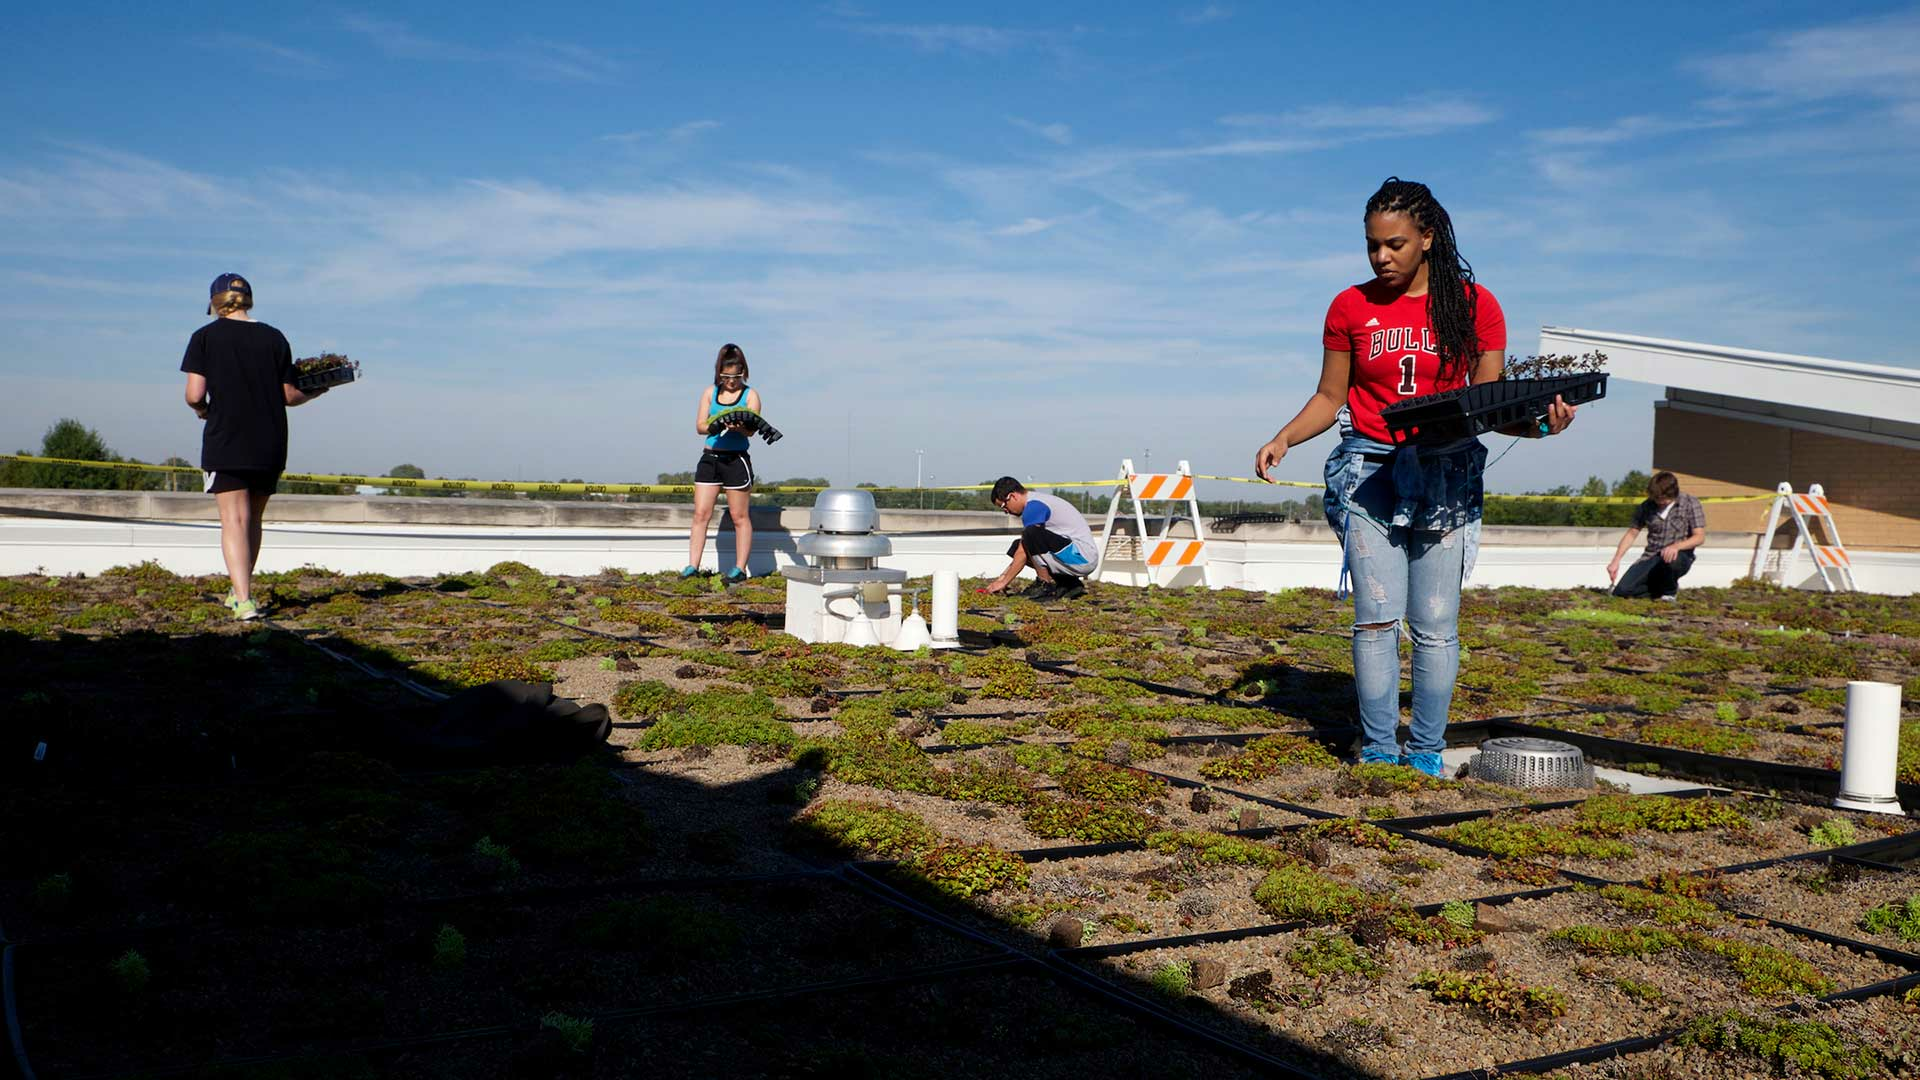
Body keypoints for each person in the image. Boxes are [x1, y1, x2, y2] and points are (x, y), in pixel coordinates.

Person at [1250, 178, 1576, 776]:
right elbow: (1330, 396)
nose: (1381, 257)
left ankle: (1425, 752)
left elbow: (1491, 409)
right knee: (1375, 616)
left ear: (1427, 238)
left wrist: (1545, 426)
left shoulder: (1477, 307)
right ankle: (1378, 750)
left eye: (1395, 244)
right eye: (1372, 245)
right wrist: (1284, 438)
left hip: (1448, 476)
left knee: (1434, 625)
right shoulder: (1349, 306)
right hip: (1368, 474)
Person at [181, 273, 328, 620]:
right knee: (254, 520)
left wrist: (203, 411)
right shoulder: (274, 338)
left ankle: (244, 600)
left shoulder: (203, 338)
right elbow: (289, 395)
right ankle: (239, 590)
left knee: (234, 519)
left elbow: (194, 394)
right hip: (270, 440)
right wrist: (320, 389)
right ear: (248, 300)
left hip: (226, 438)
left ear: (215, 302)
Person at [685, 343, 760, 583]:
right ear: (720, 374)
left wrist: (739, 426)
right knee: (701, 514)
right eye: (726, 376)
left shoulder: (751, 395)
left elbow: (752, 431)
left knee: (740, 516)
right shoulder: (709, 392)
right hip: (710, 458)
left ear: (743, 373)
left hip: (736, 459)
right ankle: (692, 566)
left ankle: (739, 568)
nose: (731, 381)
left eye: (736, 376)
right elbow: (699, 426)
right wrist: (714, 425)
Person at [980, 477, 1097, 600]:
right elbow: (1023, 548)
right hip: (1079, 555)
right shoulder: (1035, 501)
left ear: (1012, 496)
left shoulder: (1033, 507)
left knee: (1030, 535)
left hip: (1082, 557)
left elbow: (1024, 549)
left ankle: (1044, 585)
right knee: (1019, 544)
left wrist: (1003, 582)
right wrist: (1001, 579)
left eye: (1004, 506)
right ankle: (1069, 583)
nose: (1005, 511)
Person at [1607, 471, 1705, 600]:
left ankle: (1669, 592)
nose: (1659, 502)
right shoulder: (1646, 506)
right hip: (1652, 556)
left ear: (1672, 494)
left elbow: (1699, 537)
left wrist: (1676, 546)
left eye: (1662, 499)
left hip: (1679, 556)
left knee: (1671, 560)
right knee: (1623, 591)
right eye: (1656, 498)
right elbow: (1631, 533)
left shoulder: (1690, 503)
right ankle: (1657, 590)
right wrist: (1616, 560)